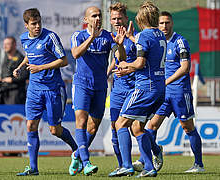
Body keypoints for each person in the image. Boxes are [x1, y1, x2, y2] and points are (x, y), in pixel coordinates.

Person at [133, 11, 204, 173]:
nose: (164, 26)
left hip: (179, 91)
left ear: (172, 23)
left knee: (187, 127)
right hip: (162, 94)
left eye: (167, 23)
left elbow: (185, 68)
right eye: (161, 23)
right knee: (151, 126)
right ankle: (147, 158)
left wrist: (166, 81)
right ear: (157, 25)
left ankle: (198, 164)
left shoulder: (180, 41)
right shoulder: (156, 42)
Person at [14, 8, 78, 176]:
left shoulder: (50, 37)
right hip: (34, 89)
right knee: (30, 125)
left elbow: (63, 61)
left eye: (39, 23)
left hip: (53, 89)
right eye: (33, 24)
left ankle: (76, 150)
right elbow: (29, 54)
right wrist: (20, 67)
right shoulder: (23, 38)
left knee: (55, 130)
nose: (37, 26)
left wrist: (41, 67)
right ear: (26, 25)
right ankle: (33, 168)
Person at [69, 6, 126, 176]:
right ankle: (86, 163)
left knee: (93, 128)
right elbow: (75, 54)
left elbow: (120, 59)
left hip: (100, 86)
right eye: (93, 16)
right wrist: (91, 38)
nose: (97, 18)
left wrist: (120, 46)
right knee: (81, 121)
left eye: (99, 15)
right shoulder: (78, 36)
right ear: (85, 20)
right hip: (81, 85)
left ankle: (78, 155)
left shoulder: (109, 36)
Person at [115, 1, 166, 177]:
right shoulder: (159, 34)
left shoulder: (144, 35)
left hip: (146, 87)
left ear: (141, 19)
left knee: (120, 123)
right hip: (160, 88)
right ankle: (150, 167)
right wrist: (130, 38)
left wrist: (125, 65)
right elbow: (148, 50)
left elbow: (140, 62)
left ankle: (127, 165)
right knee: (137, 127)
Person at [106, 2, 137, 177]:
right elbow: (116, 60)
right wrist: (107, 73)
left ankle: (154, 151)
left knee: (136, 129)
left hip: (134, 89)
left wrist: (122, 45)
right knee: (114, 127)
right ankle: (123, 165)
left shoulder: (135, 37)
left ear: (126, 18)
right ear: (110, 20)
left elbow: (124, 58)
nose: (117, 21)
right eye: (114, 19)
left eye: (120, 18)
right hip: (117, 89)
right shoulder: (113, 37)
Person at [0, 36, 28, 104]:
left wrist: (12, 79)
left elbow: (25, 75)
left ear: (14, 45)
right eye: (4, 44)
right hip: (4, 90)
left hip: (16, 91)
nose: (5, 46)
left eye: (8, 44)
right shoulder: (5, 57)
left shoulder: (20, 59)